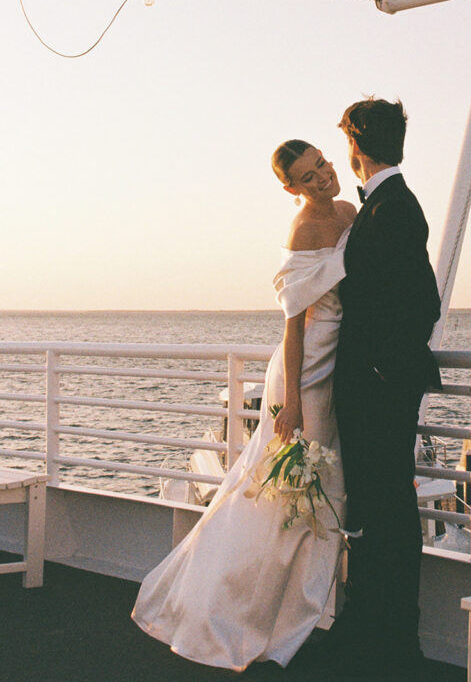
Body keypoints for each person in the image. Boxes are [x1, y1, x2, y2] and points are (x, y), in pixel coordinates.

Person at [131, 140, 356, 671]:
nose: (323, 176)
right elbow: (293, 328)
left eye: (323, 164)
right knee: (281, 498)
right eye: (308, 175)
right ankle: (228, 614)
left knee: (309, 498)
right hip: (305, 372)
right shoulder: (302, 231)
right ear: (290, 189)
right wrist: (294, 403)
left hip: (340, 363)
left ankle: (289, 616)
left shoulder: (349, 212)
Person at [331, 97, 441, 675]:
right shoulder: (385, 205)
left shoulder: (394, 208)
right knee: (373, 508)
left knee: (389, 511)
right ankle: (369, 623)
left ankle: (397, 639)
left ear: (355, 145)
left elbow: (423, 303)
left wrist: (380, 372)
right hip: (372, 386)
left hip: (380, 388)